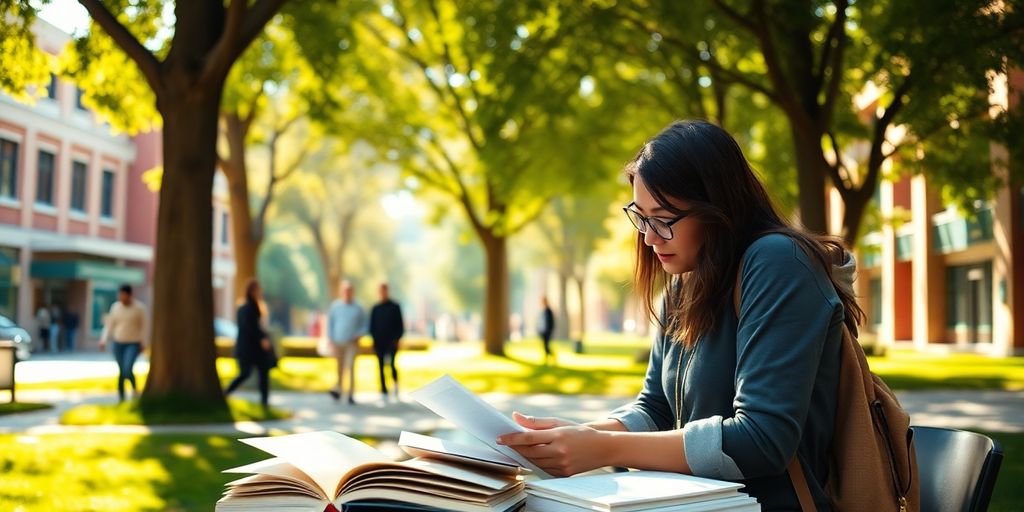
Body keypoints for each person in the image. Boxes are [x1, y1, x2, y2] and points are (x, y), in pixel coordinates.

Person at [496, 120, 863, 511]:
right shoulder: (683, 286)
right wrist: (577, 436)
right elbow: (655, 408)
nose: (650, 237)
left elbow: (762, 439)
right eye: (642, 217)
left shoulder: (777, 263)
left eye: (665, 218)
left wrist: (603, 447)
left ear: (717, 207)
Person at [223, 278, 276, 410]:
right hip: (249, 348)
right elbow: (251, 327)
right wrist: (262, 339)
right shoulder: (247, 308)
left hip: (251, 348)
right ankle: (226, 393)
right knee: (246, 373)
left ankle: (264, 401)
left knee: (262, 373)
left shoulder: (251, 307)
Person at [99, 284, 149, 402]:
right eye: (120, 295)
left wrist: (144, 343)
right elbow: (109, 326)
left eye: (124, 295)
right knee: (121, 371)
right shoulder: (115, 307)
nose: (121, 297)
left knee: (127, 368)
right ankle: (121, 399)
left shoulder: (140, 308)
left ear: (130, 295)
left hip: (133, 343)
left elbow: (144, 327)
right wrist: (103, 340)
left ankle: (134, 391)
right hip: (118, 343)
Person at [326, 280, 366, 405]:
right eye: (345, 291)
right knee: (339, 368)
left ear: (353, 292)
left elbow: (364, 325)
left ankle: (351, 394)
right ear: (342, 292)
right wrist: (330, 339)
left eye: (350, 291)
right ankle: (338, 390)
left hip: (352, 343)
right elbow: (330, 324)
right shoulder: (335, 306)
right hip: (338, 342)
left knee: (350, 367)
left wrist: (359, 335)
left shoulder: (358, 308)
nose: (347, 293)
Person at [369, 283, 404, 402]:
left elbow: (400, 325)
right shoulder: (375, 308)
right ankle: (383, 390)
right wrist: (373, 340)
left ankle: (395, 385)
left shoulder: (395, 306)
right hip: (379, 342)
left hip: (392, 342)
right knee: (380, 366)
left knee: (392, 364)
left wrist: (398, 339)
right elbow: (372, 326)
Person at [537, 296, 555, 365]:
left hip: (548, 331)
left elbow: (551, 322)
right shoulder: (543, 311)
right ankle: (547, 358)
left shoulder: (549, 311)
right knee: (545, 346)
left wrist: (550, 330)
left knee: (546, 345)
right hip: (543, 331)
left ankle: (550, 356)